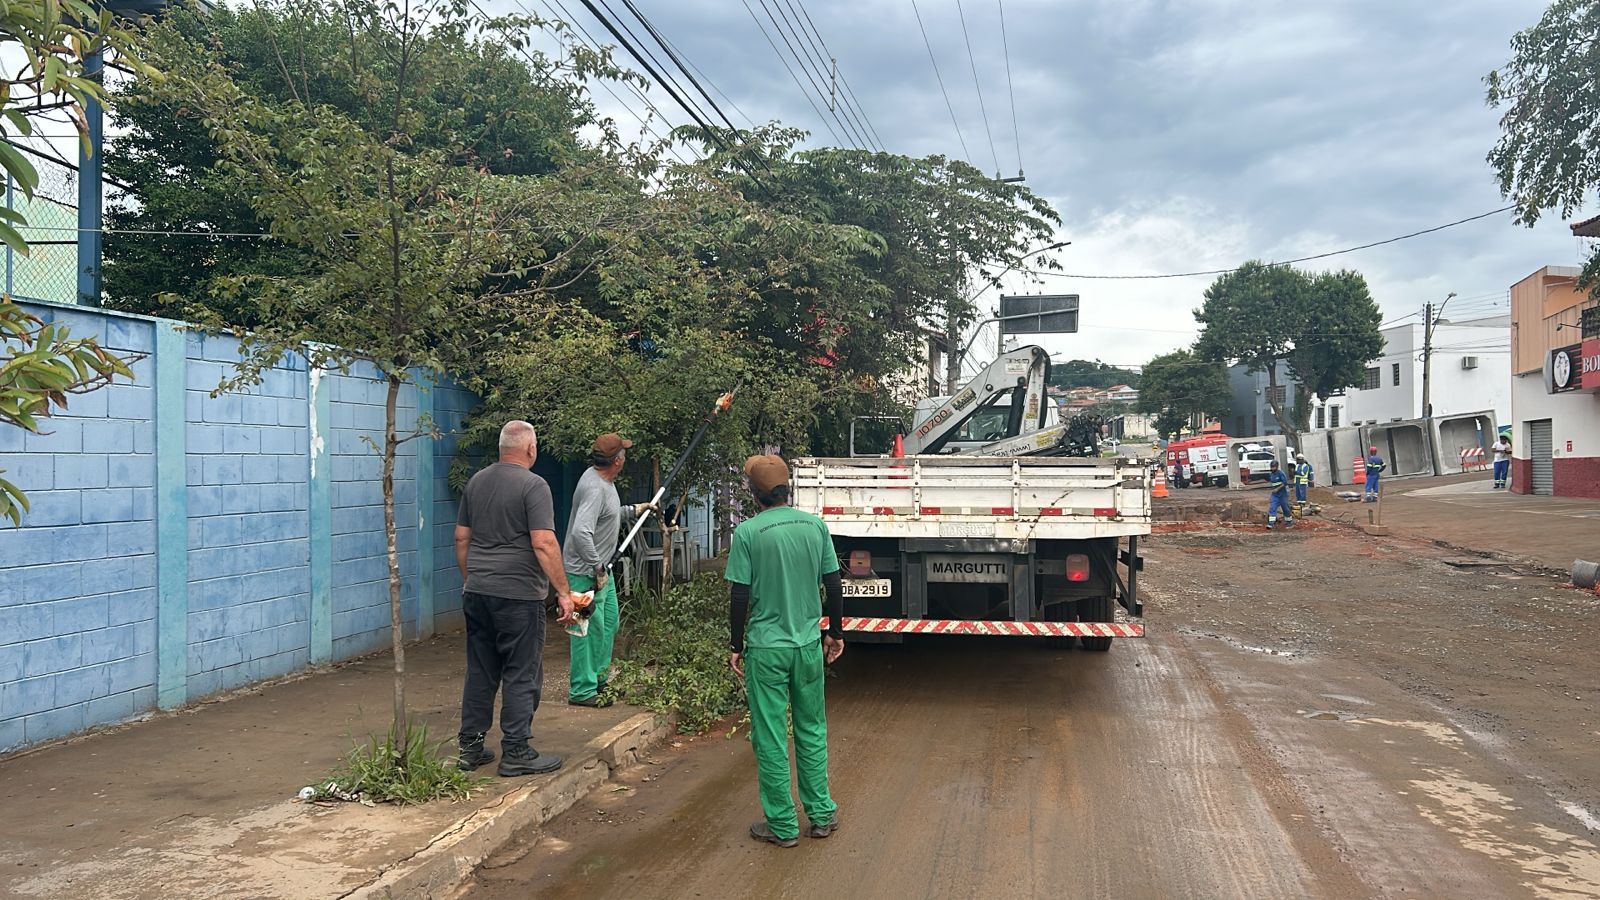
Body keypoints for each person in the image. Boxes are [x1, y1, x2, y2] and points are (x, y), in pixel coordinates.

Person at [726, 454, 844, 849]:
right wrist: (835, 632)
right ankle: (822, 815)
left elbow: (739, 594)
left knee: (772, 736)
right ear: (787, 488)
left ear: (754, 494)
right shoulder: (815, 526)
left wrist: (735, 644)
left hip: (766, 648)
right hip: (808, 645)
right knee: (812, 729)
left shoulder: (748, 533)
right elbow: (833, 583)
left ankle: (782, 825)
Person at [453, 421, 579, 777]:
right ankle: (517, 750)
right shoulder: (533, 485)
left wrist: (471, 578)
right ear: (531, 449)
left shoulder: (476, 482)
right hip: (519, 595)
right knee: (521, 670)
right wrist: (564, 593)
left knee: (480, 669)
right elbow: (543, 542)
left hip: (478, 591)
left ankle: (470, 748)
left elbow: (462, 538)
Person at [563, 433, 652, 707]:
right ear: (616, 461)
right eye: (623, 453)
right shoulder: (594, 487)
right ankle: (581, 690)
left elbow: (607, 515)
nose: (626, 456)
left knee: (608, 625)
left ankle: (599, 680)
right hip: (584, 574)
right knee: (583, 631)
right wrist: (597, 566)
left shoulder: (604, 481)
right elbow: (580, 532)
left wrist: (634, 510)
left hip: (602, 573)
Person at [1266, 459, 1293, 529]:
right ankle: (1271, 523)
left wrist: (1277, 489)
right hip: (1275, 495)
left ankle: (1289, 522)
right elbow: (1273, 484)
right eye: (1271, 467)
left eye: (1274, 467)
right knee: (1272, 507)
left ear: (1277, 467)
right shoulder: (1271, 474)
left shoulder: (1280, 473)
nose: (1272, 468)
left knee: (1285, 508)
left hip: (1282, 494)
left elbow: (1285, 483)